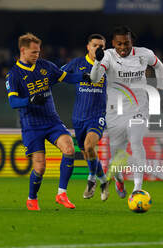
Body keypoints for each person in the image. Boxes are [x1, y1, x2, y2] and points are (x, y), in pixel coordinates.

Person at [5, 33, 91, 211]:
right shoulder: (13, 75)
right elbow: (13, 102)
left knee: (69, 148)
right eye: (33, 52)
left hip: (52, 121)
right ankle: (32, 198)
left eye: (38, 52)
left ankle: (61, 194)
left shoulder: (45, 66)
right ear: (23, 50)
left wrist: (84, 77)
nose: (37, 55)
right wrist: (30, 100)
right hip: (32, 125)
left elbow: (66, 77)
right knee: (40, 166)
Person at [90, 26, 163, 198]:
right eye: (119, 44)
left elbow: (159, 66)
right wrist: (97, 62)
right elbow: (94, 79)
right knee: (117, 156)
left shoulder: (144, 54)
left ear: (132, 42)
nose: (123, 47)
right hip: (115, 111)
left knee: (136, 141)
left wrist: (159, 89)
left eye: (126, 43)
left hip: (139, 107)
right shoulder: (107, 55)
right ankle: (119, 179)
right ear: (113, 44)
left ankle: (137, 189)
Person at [61, 34, 110, 201]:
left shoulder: (108, 65)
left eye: (102, 46)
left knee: (89, 146)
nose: (98, 49)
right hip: (79, 117)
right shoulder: (77, 63)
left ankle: (91, 179)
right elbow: (59, 75)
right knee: (87, 152)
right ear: (88, 47)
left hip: (97, 116)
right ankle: (103, 180)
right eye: (95, 45)